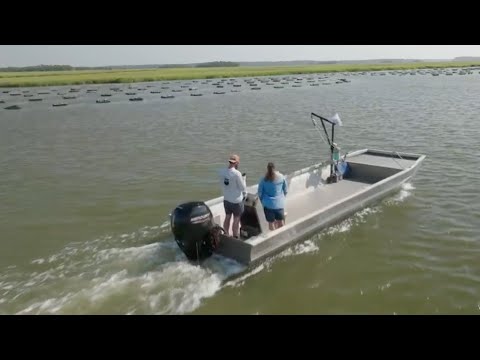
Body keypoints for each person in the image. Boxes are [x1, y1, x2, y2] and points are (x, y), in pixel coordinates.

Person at [219, 154, 247, 238]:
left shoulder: (222, 171)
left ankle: (226, 234)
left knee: (227, 216)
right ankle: (235, 236)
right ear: (236, 163)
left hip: (226, 199)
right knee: (236, 218)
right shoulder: (237, 173)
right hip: (236, 201)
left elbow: (224, 183)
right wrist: (244, 179)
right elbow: (242, 188)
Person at [257, 162, 288, 231]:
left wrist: (263, 202)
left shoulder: (263, 179)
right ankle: (282, 236)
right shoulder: (281, 177)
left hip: (268, 204)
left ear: (267, 169)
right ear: (274, 168)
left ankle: (274, 238)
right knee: (280, 222)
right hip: (279, 204)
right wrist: (282, 198)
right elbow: (285, 190)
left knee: (271, 223)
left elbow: (260, 193)